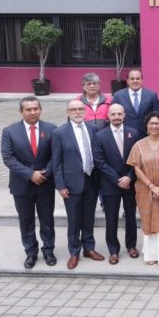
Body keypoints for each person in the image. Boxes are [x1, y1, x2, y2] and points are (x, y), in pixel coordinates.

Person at [1, 96, 58, 268]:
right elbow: (8, 158)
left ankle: (48, 250)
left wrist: (45, 173)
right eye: (28, 109)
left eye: (36, 108)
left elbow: (56, 155)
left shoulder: (51, 129)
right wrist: (30, 174)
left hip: (45, 183)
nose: (33, 112)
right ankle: (31, 252)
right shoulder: (9, 131)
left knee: (47, 220)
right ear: (21, 111)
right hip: (22, 185)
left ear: (40, 109)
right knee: (26, 221)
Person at [52, 100, 104, 269]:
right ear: (68, 112)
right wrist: (60, 186)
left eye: (80, 109)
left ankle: (89, 248)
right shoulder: (59, 133)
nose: (77, 112)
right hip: (71, 183)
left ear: (85, 111)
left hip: (91, 180)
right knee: (74, 220)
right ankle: (74, 252)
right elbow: (56, 162)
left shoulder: (93, 129)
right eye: (73, 109)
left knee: (89, 218)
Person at [127, 111, 159, 265]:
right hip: (145, 190)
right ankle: (152, 253)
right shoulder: (138, 145)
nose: (154, 126)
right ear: (146, 126)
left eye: (157, 123)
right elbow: (136, 168)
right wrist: (152, 186)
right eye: (151, 123)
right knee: (149, 219)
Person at [92, 104, 140, 264]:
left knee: (131, 216)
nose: (117, 117)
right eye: (113, 114)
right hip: (110, 184)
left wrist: (129, 177)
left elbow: (137, 158)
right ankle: (113, 250)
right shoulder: (99, 136)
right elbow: (99, 161)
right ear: (108, 116)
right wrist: (117, 179)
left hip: (130, 183)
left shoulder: (134, 133)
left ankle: (131, 246)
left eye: (119, 114)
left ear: (124, 115)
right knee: (111, 219)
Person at [112, 69, 158, 134]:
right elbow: (113, 115)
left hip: (146, 134)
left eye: (138, 79)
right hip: (125, 134)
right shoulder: (118, 96)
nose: (135, 81)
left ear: (142, 80)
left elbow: (156, 115)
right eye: (132, 79)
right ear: (127, 81)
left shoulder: (151, 95)